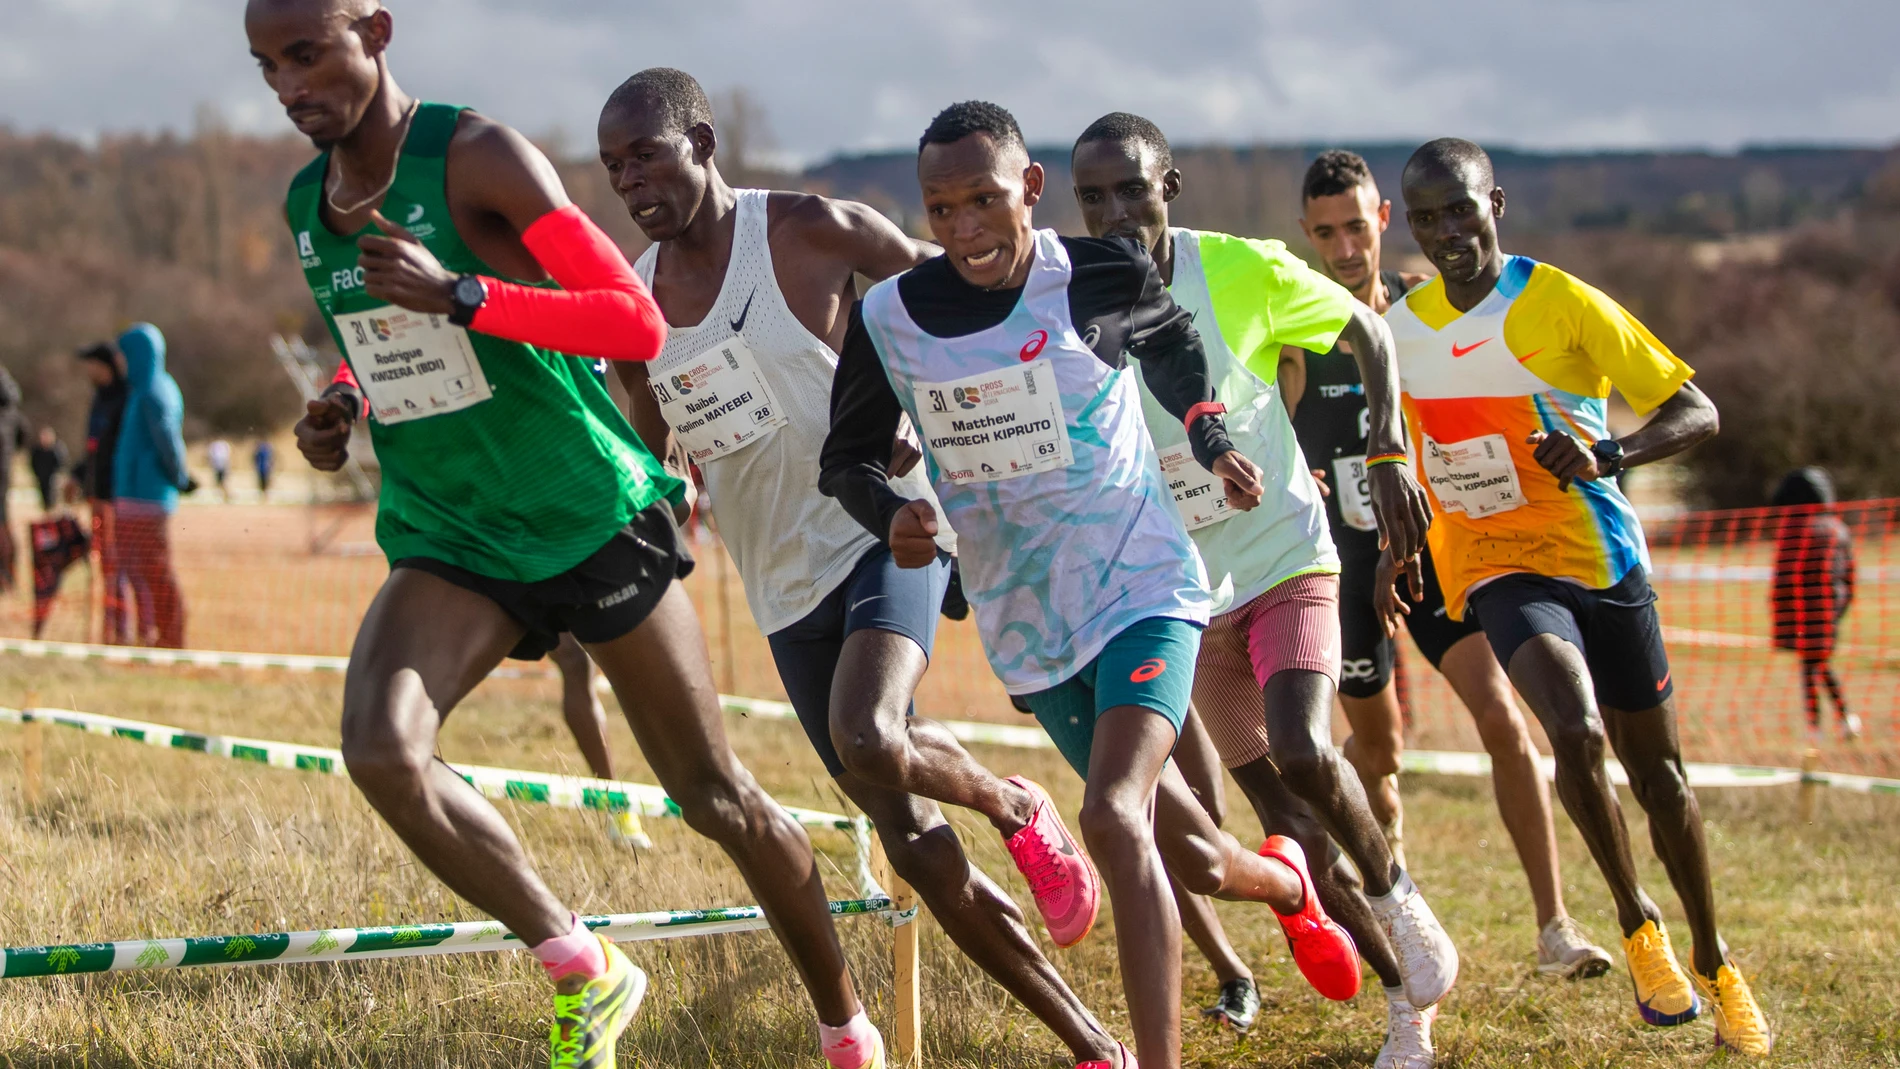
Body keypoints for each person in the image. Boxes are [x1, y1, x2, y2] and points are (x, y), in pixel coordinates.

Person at [248, 4, 886, 1066]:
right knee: (380, 749)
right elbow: (388, 343)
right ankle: (581, 961)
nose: (287, 84)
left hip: (580, 513)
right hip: (451, 529)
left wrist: (466, 292)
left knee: (714, 798)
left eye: (306, 54)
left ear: (375, 31)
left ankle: (843, 1020)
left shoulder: (478, 155)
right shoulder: (307, 206)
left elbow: (628, 320)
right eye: (268, 66)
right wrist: (342, 402)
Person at [600, 68, 1130, 1069]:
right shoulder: (637, 297)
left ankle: (1016, 806)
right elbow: (650, 429)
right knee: (910, 843)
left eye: (648, 155)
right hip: (778, 577)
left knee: (869, 731)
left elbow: (949, 280)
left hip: (888, 529)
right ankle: (1093, 1044)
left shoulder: (803, 227)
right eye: (615, 165)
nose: (631, 180)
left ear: (702, 145)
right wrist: (655, 492)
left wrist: (921, 408)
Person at [822, 100, 1361, 1069]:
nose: (965, 228)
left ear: (1029, 189)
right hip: (1027, 623)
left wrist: (1206, 428)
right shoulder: (891, 317)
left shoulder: (1097, 272)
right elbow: (846, 458)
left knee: (1112, 815)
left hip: (1144, 585)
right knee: (1188, 854)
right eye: (941, 209)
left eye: (985, 199)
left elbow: (1172, 344)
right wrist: (888, 516)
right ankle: (1287, 885)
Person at [1070, 114, 1454, 1069]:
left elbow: (1368, 329)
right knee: (1289, 831)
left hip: (1287, 555)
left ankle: (1400, 893)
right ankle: (1408, 1006)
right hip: (1185, 592)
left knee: (1304, 747)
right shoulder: (1068, 297)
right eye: (1094, 197)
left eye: (1134, 190)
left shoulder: (1238, 267)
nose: (1116, 213)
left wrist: (1386, 445)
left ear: (1173, 187)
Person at [1388, 138, 1769, 1056]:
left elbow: (1696, 409)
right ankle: (1639, 927)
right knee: (1574, 728)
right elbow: (1394, 449)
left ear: (1497, 202)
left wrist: (1611, 454)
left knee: (1663, 780)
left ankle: (1717, 963)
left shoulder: (1559, 299)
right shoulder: (1401, 332)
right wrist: (1395, 546)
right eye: (1428, 217)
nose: (1446, 233)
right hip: (1498, 565)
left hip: (1603, 559)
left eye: (1461, 210)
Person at [1283, 149, 1612, 979]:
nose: (1345, 246)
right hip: (1352, 574)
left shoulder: (1426, 315)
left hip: (1434, 560)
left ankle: (1555, 928)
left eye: (1356, 226)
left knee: (1504, 719)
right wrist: (1295, 467)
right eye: (1325, 232)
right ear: (1307, 234)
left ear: (1382, 219)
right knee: (1381, 755)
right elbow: (1270, 424)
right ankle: (1391, 880)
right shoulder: (1297, 328)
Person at [112, 323, 194, 649]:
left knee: (154, 569)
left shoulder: (154, 391)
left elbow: (168, 442)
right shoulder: (142, 389)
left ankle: (172, 634)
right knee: (139, 568)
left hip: (147, 496)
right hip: (133, 495)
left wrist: (179, 477)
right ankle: (158, 632)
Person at [1770, 466, 1860, 744]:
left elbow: (1784, 575)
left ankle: (1818, 726)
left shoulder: (1794, 530)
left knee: (1812, 665)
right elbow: (1849, 574)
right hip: (1829, 609)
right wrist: (1840, 606)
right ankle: (1842, 719)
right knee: (1816, 663)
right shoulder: (1838, 528)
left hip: (1804, 610)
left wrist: (1781, 610)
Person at [75, 342, 131, 643]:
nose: (87, 371)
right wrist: (80, 475)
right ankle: (107, 630)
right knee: (104, 565)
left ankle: (121, 631)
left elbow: (114, 448)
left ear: (104, 365)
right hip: (96, 494)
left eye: (91, 364)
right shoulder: (100, 399)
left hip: (115, 496)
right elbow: (95, 447)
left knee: (117, 565)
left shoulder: (124, 398)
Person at [30, 427, 68, 512]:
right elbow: (33, 463)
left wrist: (58, 475)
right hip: (41, 477)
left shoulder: (57, 449)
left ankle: (53, 511)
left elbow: (61, 463)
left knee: (53, 495)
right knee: (43, 496)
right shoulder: (37, 450)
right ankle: (46, 511)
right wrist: (36, 474)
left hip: (53, 477)